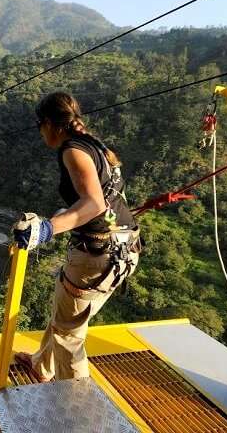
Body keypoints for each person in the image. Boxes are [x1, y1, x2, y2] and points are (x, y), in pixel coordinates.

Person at [12, 91, 142, 381]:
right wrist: (69, 213)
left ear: (48, 123)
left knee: (68, 336)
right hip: (125, 248)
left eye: (39, 125)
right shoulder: (95, 144)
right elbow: (105, 201)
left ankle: (75, 407)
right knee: (65, 318)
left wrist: (46, 229)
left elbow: (94, 203)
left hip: (96, 256)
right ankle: (42, 365)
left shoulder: (72, 149)